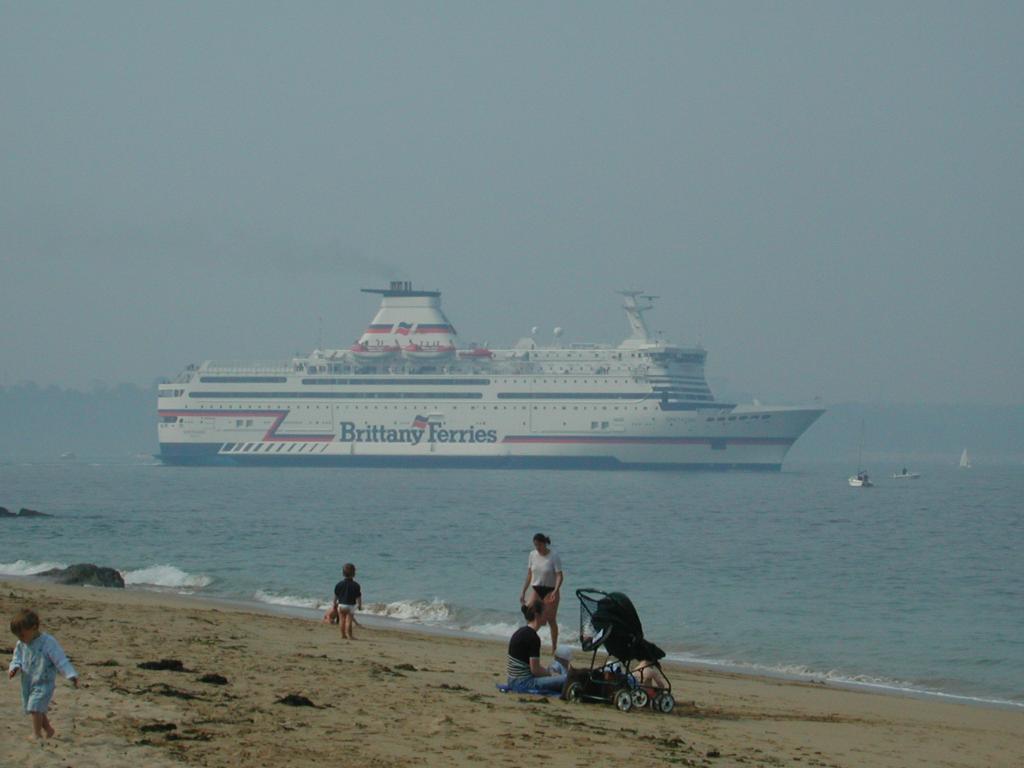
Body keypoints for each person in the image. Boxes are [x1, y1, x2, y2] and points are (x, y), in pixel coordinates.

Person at [8, 608, 78, 740]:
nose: (20, 639)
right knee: (36, 708)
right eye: (17, 636)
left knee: (35, 707)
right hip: (28, 682)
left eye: (22, 635)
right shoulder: (21, 644)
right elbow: (16, 658)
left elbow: (60, 659)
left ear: (34, 627)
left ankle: (37, 734)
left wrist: (70, 674)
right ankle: (49, 730)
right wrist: (14, 668)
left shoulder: (47, 642)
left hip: (44, 682)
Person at [505, 600, 567, 693]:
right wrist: (551, 674)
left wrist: (550, 672)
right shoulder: (533, 637)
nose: (548, 616)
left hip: (512, 680)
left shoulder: (521, 631)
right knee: (567, 678)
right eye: (545, 613)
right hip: (524, 683)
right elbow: (536, 670)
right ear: (537, 615)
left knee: (558, 665)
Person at [519, 532, 564, 653]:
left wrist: (556, 589)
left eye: (539, 545)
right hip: (536, 588)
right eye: (535, 545)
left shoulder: (554, 556)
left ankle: (554, 647)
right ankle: (527, 640)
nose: (537, 548)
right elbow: (529, 574)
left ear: (544, 543)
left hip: (550, 589)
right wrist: (523, 591)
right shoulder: (532, 555)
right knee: (530, 614)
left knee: (550, 619)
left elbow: (559, 575)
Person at [333, 563, 363, 640]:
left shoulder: (339, 584)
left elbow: (336, 595)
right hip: (350, 606)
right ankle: (350, 635)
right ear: (354, 574)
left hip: (341, 605)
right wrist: (359, 605)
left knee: (342, 620)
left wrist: (334, 603)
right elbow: (358, 597)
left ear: (343, 573)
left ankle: (343, 635)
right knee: (349, 620)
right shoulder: (356, 585)